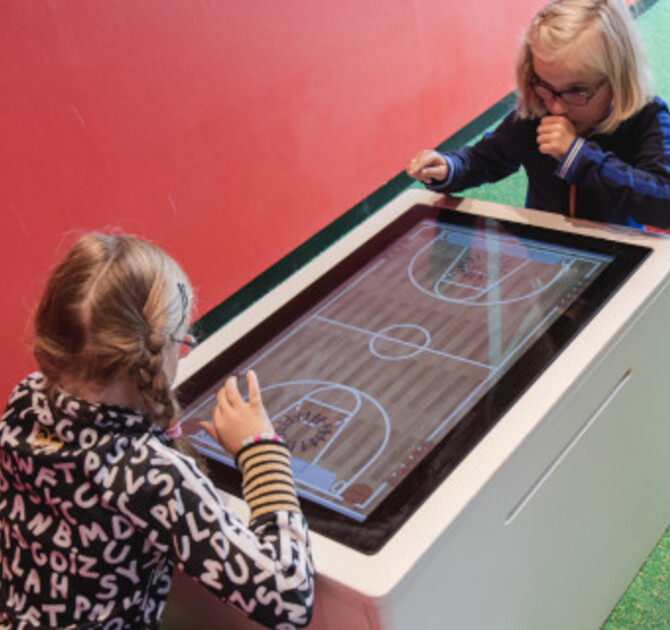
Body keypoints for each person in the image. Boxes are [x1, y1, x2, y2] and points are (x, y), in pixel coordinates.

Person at [0, 233, 314, 629]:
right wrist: (261, 451)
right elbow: (290, 596)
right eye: (181, 342)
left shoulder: (26, 399)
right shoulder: (151, 475)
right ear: (157, 354)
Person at [406, 0, 670, 230]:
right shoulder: (535, 114)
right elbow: (482, 160)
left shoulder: (646, 117)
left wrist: (579, 157)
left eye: (577, 91)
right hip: (544, 251)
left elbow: (664, 203)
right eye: (544, 86)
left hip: (621, 255)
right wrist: (448, 167)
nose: (556, 108)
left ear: (618, 77)